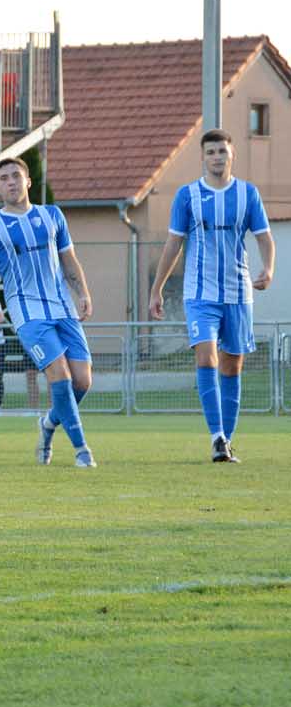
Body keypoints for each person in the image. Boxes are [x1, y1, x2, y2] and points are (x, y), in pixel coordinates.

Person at [0, 157, 97, 467]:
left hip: (63, 308)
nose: (10, 181)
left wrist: (83, 292)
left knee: (83, 382)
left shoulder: (52, 215)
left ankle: (48, 424)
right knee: (59, 376)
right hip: (28, 313)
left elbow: (69, 260)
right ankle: (82, 450)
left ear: (28, 181)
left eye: (15, 176)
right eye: (4, 178)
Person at [148, 128, 275, 462]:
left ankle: (227, 440)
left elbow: (264, 237)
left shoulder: (248, 194)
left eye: (222, 151)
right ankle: (217, 437)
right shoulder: (187, 196)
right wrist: (157, 289)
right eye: (211, 152)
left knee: (232, 368)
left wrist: (269, 268)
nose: (217, 157)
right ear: (202, 157)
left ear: (232, 154)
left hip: (237, 293)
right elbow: (173, 244)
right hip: (199, 293)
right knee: (206, 357)